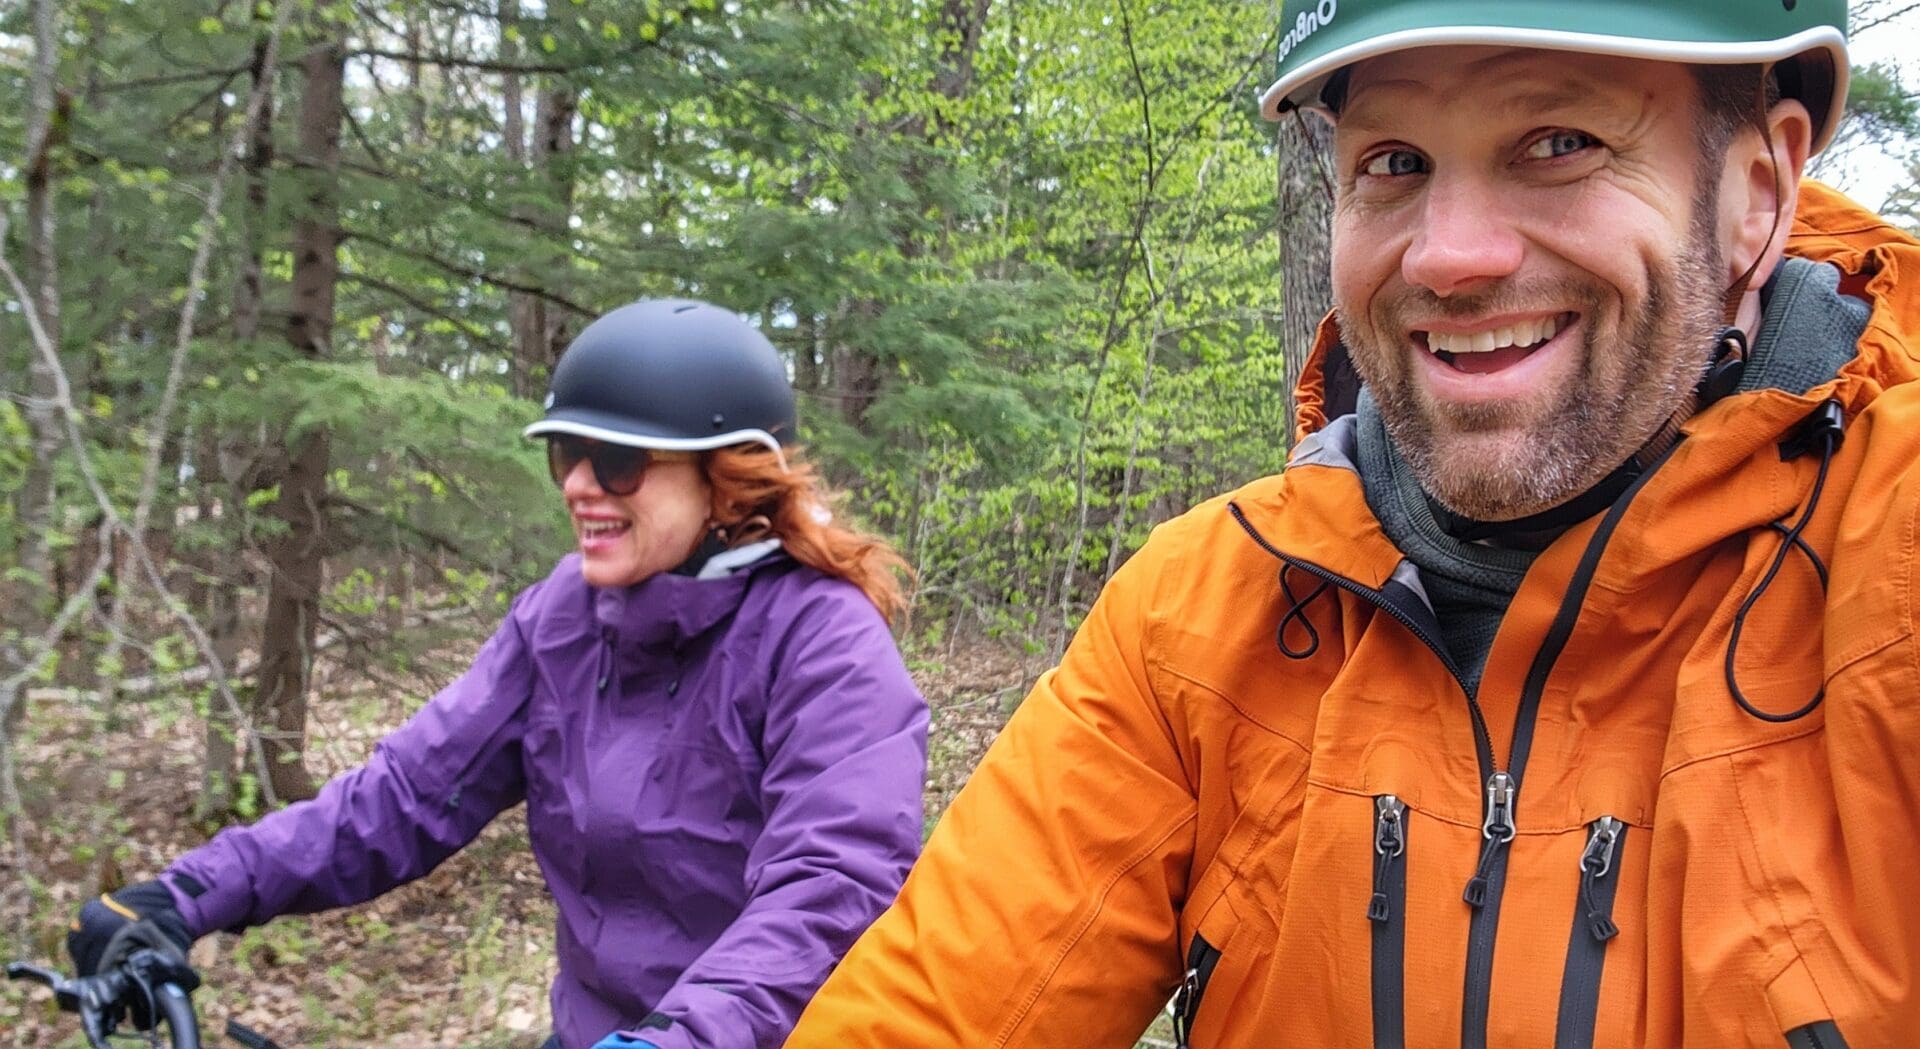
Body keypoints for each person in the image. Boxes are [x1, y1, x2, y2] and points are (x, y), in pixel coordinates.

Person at [785, 2, 1920, 1047]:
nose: (1448, 255)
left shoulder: (1888, 556)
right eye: (1394, 163)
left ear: (1758, 192)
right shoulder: (1205, 612)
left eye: (1559, 142)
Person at [66, 299, 929, 1049]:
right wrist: (184, 894)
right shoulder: (564, 617)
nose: (581, 486)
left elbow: (833, 886)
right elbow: (404, 794)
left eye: (618, 461)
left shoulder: (823, 639)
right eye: (567, 456)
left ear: (729, 481)